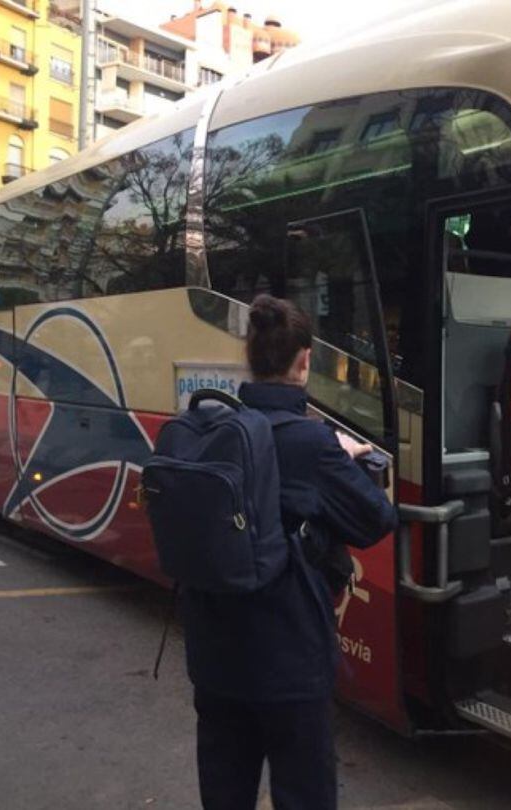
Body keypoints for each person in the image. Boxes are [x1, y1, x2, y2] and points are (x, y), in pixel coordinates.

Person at [181, 295, 398, 810]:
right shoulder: (312, 443)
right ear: (304, 361)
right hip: (289, 660)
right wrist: (342, 453)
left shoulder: (208, 428)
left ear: (250, 358)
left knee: (225, 794)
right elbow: (377, 520)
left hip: (214, 658)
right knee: (304, 795)